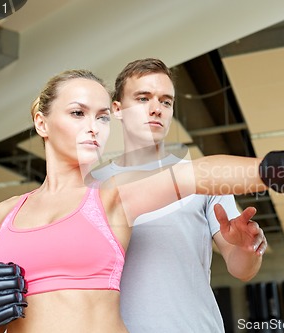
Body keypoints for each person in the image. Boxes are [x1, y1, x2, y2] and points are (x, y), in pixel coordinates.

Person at [0, 69, 284, 333]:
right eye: (78, 113)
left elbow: (195, 175)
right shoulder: (6, 213)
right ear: (42, 122)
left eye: (101, 118)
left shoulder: (110, 200)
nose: (92, 127)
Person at [91, 58, 266, 332]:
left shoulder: (203, 180)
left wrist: (247, 250)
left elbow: (242, 269)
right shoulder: (92, 187)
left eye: (165, 101)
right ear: (117, 109)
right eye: (143, 98)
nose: (156, 109)